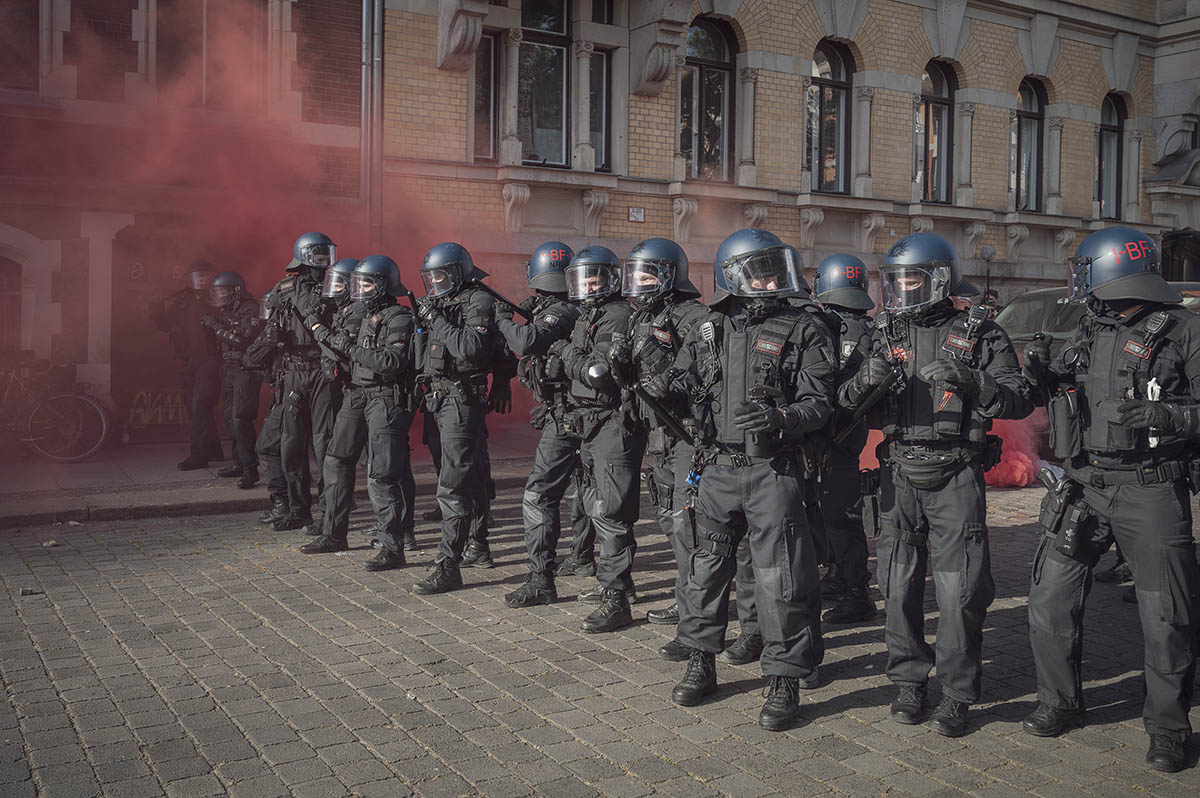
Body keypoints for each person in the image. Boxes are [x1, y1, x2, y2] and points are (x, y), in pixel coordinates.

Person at [839, 232, 1033, 737]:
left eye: (912, 280)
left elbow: (1018, 396)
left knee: (961, 590)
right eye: (895, 280)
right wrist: (865, 381)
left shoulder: (981, 331)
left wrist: (977, 384)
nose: (902, 289)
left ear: (940, 280)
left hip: (956, 473)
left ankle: (957, 692)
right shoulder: (881, 333)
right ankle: (908, 680)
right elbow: (842, 402)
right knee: (897, 586)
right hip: (899, 471)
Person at [1022, 226, 1200, 773]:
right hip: (1083, 482)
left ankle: (1169, 728)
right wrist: (1039, 373)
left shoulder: (1185, 331)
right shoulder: (1089, 325)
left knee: (1166, 614)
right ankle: (1059, 701)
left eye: (1084, 267)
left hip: (1149, 488)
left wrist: (1171, 415)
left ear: (1111, 270)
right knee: (1049, 598)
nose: (1078, 277)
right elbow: (1062, 390)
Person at [644, 228, 836, 730]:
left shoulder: (806, 327)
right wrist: (666, 386)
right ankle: (701, 660)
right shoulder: (710, 326)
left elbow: (821, 402)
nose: (772, 279)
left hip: (775, 470)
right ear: (732, 274)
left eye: (777, 268)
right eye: (760, 269)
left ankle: (784, 678)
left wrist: (784, 418)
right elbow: (689, 383)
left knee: (782, 579)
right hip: (716, 468)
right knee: (704, 571)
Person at [610, 237, 706, 659]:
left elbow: (702, 374)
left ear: (670, 276)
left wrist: (668, 369)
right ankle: (688, 600)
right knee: (669, 522)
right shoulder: (638, 318)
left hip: (687, 435)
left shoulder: (692, 317)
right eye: (635, 274)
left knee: (689, 525)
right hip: (659, 437)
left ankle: (695, 621)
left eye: (648, 274)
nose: (639, 283)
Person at [299, 256, 417, 570]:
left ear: (384, 284)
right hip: (356, 393)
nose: (359, 289)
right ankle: (333, 533)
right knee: (336, 460)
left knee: (382, 473)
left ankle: (393, 548)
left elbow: (391, 362)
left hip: (385, 397)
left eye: (366, 283)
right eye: (357, 283)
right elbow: (345, 349)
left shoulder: (399, 317)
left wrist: (348, 348)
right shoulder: (360, 315)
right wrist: (323, 334)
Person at [500, 241, 589, 608]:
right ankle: (584, 557)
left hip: (568, 415)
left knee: (539, 494)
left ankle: (541, 579)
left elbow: (526, 340)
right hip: (571, 410)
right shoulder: (572, 308)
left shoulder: (563, 311)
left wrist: (502, 319)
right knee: (584, 489)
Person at [411, 242, 499, 594]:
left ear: (458, 273)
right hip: (440, 399)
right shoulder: (440, 306)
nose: (433, 284)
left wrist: (437, 320)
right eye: (429, 278)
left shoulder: (477, 301)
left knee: (453, 484)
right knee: (473, 476)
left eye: (440, 277)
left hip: (462, 401)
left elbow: (469, 348)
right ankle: (479, 544)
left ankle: (449, 564)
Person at [812, 253, 877, 625]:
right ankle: (839, 574)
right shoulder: (863, 327)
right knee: (830, 512)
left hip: (837, 430)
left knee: (839, 516)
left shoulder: (832, 326)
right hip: (845, 430)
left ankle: (858, 593)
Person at [260, 233, 341, 532]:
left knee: (324, 444)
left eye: (327, 256)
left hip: (322, 370)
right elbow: (267, 321)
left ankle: (329, 515)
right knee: (291, 446)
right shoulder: (284, 287)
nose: (325, 262)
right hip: (293, 372)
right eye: (319, 257)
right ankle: (298, 510)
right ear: (305, 256)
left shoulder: (336, 283)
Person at [148, 261, 223, 470]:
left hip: (211, 359)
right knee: (195, 407)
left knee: (201, 403)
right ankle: (214, 448)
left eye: (206, 276)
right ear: (189, 280)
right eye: (198, 277)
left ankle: (199, 456)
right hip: (190, 362)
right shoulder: (182, 303)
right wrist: (155, 311)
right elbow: (164, 325)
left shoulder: (218, 298)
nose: (203, 280)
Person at [203, 270, 262, 488]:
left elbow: (243, 340)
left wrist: (216, 328)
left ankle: (250, 469)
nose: (218, 296)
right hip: (230, 368)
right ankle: (238, 462)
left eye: (222, 292)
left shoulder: (251, 309)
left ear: (235, 291)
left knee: (241, 418)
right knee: (229, 416)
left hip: (246, 369)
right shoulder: (227, 310)